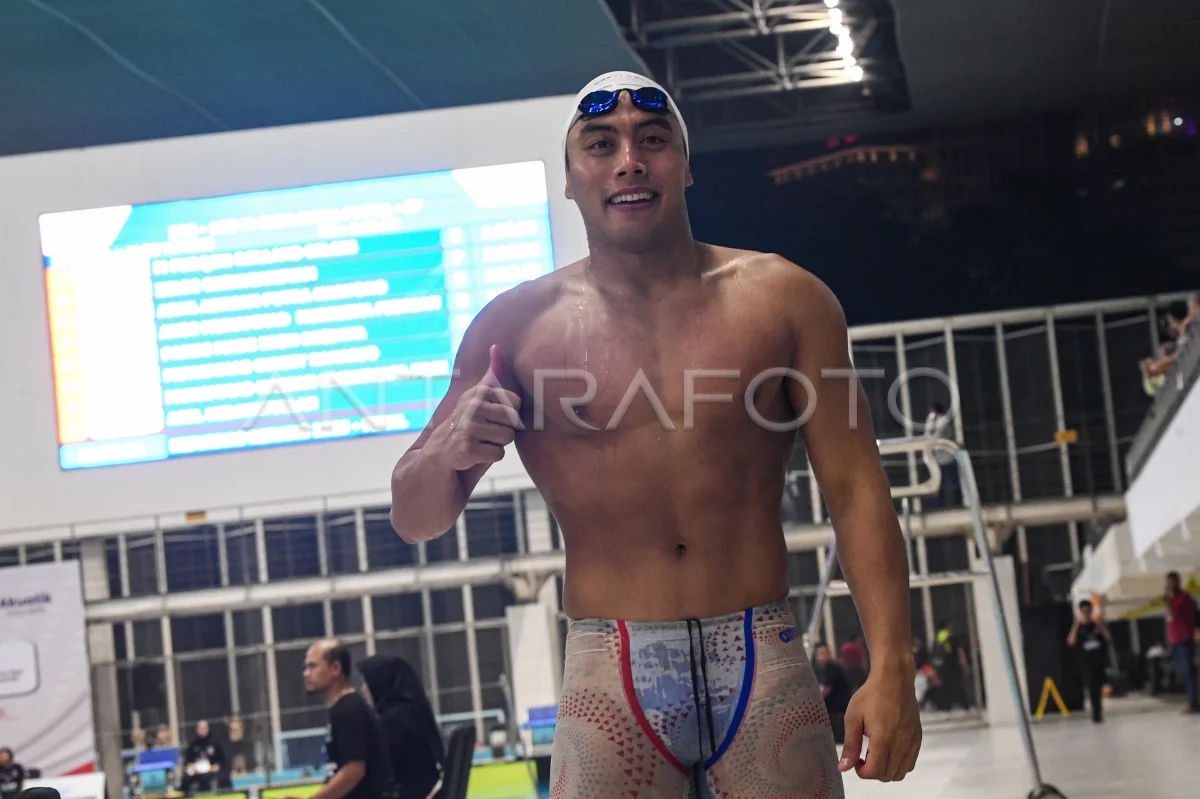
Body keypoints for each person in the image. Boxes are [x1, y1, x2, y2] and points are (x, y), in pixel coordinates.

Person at [389, 70, 921, 795]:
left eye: (653, 140)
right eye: (600, 144)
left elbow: (856, 488)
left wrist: (892, 667)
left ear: (687, 165)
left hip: (763, 659)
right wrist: (447, 455)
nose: (629, 162)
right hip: (609, 673)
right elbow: (415, 517)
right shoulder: (515, 328)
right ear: (570, 179)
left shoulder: (787, 300)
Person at [284, 640, 395, 799]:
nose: (306, 673)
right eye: (306, 667)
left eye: (313, 666)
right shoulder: (341, 709)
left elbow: (354, 770)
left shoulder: (349, 709)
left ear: (336, 668)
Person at [357, 655, 444, 799]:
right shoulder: (411, 713)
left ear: (380, 682)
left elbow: (378, 772)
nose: (363, 689)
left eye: (366, 683)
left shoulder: (393, 721)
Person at [1066, 600, 1111, 723]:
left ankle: (1098, 711)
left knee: (1098, 686)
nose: (1086, 614)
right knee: (1091, 687)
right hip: (1086, 662)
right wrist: (1076, 625)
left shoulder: (1096, 625)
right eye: (1084, 612)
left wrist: (1099, 624)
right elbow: (1071, 641)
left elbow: (1108, 637)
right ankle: (1096, 713)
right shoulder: (1079, 627)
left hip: (1098, 661)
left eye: (1088, 611)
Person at [1164, 572, 1198, 713]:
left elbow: (1174, 613)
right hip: (1175, 640)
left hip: (1184, 638)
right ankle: (1192, 700)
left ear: (1177, 582)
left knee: (1188, 672)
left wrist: (1167, 599)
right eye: (1168, 582)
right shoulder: (1173, 599)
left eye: (1172, 582)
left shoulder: (1183, 598)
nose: (1169, 585)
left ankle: (1193, 703)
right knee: (1182, 672)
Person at [813, 645, 853, 745]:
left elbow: (826, 689)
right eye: (819, 654)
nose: (821, 656)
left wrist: (814, 703)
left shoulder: (833, 668)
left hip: (837, 710)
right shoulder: (824, 670)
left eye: (823, 653)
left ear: (829, 654)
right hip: (834, 710)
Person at [923, 402, 958, 508]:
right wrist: (931, 421)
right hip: (936, 459)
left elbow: (938, 435)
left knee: (951, 481)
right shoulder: (931, 420)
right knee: (937, 484)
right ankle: (938, 506)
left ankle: (957, 503)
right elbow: (927, 434)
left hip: (946, 458)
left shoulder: (944, 421)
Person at [181, 721, 225, 794]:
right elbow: (187, 760)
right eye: (201, 728)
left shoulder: (214, 744)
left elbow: (221, 760)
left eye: (205, 728)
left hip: (210, 770)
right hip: (196, 770)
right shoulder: (192, 744)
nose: (203, 730)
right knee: (186, 777)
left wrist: (215, 767)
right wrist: (193, 768)